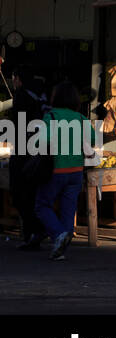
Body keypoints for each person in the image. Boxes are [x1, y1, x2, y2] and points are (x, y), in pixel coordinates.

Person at [34, 80, 87, 261]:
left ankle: (58, 236)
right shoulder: (81, 118)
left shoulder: (52, 116)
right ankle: (62, 245)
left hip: (56, 170)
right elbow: (93, 139)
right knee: (68, 209)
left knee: (42, 205)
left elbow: (43, 140)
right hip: (76, 171)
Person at [8, 70, 50, 251]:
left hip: (24, 152)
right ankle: (35, 233)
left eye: (13, 78)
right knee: (33, 194)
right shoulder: (42, 95)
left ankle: (33, 233)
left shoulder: (21, 96)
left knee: (20, 195)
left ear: (17, 78)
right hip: (40, 151)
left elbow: (15, 124)